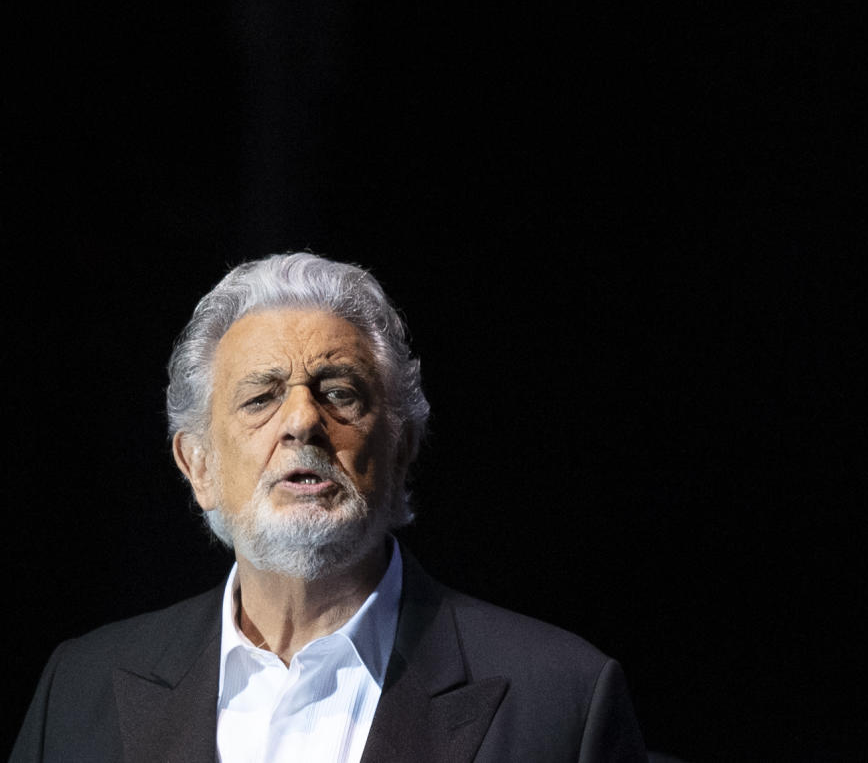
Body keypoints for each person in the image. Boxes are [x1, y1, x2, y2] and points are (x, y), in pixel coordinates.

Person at [10, 253, 647, 763]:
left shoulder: (561, 700)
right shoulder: (79, 687)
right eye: (260, 398)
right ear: (198, 466)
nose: (302, 421)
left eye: (338, 392)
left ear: (401, 448)